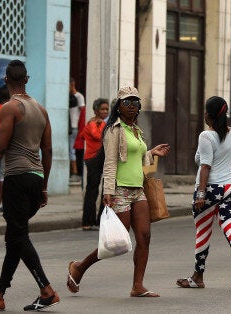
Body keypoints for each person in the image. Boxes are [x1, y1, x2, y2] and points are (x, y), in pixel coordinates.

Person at [0, 60, 59, 311]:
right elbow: (48, 149)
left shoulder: (10, 108)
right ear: (27, 80)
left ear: (6, 81)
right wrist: (44, 186)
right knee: (14, 238)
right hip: (36, 176)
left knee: (18, 236)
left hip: (17, 177)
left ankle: (47, 290)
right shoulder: (41, 110)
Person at [66, 86, 170, 298]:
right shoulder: (114, 129)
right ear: (119, 106)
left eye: (135, 102)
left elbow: (135, 158)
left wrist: (151, 153)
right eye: (127, 102)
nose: (132, 106)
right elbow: (111, 162)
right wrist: (108, 190)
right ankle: (79, 267)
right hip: (120, 189)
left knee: (144, 236)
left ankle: (138, 286)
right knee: (116, 241)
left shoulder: (136, 131)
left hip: (138, 190)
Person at [176, 96, 231, 291]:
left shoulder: (206, 136)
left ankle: (198, 276)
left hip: (209, 189)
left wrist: (201, 195)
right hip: (230, 188)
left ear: (207, 114)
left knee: (203, 233)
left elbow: (205, 166)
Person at [80, 98, 109, 230]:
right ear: (96, 110)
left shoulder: (101, 123)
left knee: (104, 190)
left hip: (101, 158)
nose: (105, 111)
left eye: (107, 109)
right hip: (93, 159)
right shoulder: (94, 123)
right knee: (93, 189)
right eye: (103, 109)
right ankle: (87, 221)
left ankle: (99, 220)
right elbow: (98, 136)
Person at [69, 77, 85, 182]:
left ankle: (75, 173)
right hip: (70, 126)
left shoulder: (79, 97)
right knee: (71, 150)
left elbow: (82, 112)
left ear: (72, 85)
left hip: (75, 126)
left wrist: (81, 127)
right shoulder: (69, 97)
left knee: (72, 150)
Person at [74, 105, 86, 184]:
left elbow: (79, 124)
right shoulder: (85, 109)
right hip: (82, 141)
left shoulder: (84, 109)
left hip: (80, 140)